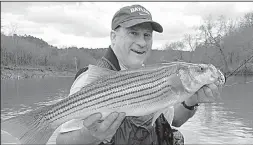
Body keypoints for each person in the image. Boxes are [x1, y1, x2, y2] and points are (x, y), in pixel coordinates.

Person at [55, 4, 220, 145]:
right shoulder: (88, 79)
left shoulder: (152, 75)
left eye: (147, 35)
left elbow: (173, 119)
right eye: (133, 33)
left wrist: (192, 101)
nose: (142, 42)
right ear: (113, 37)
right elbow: (62, 140)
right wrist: (89, 135)